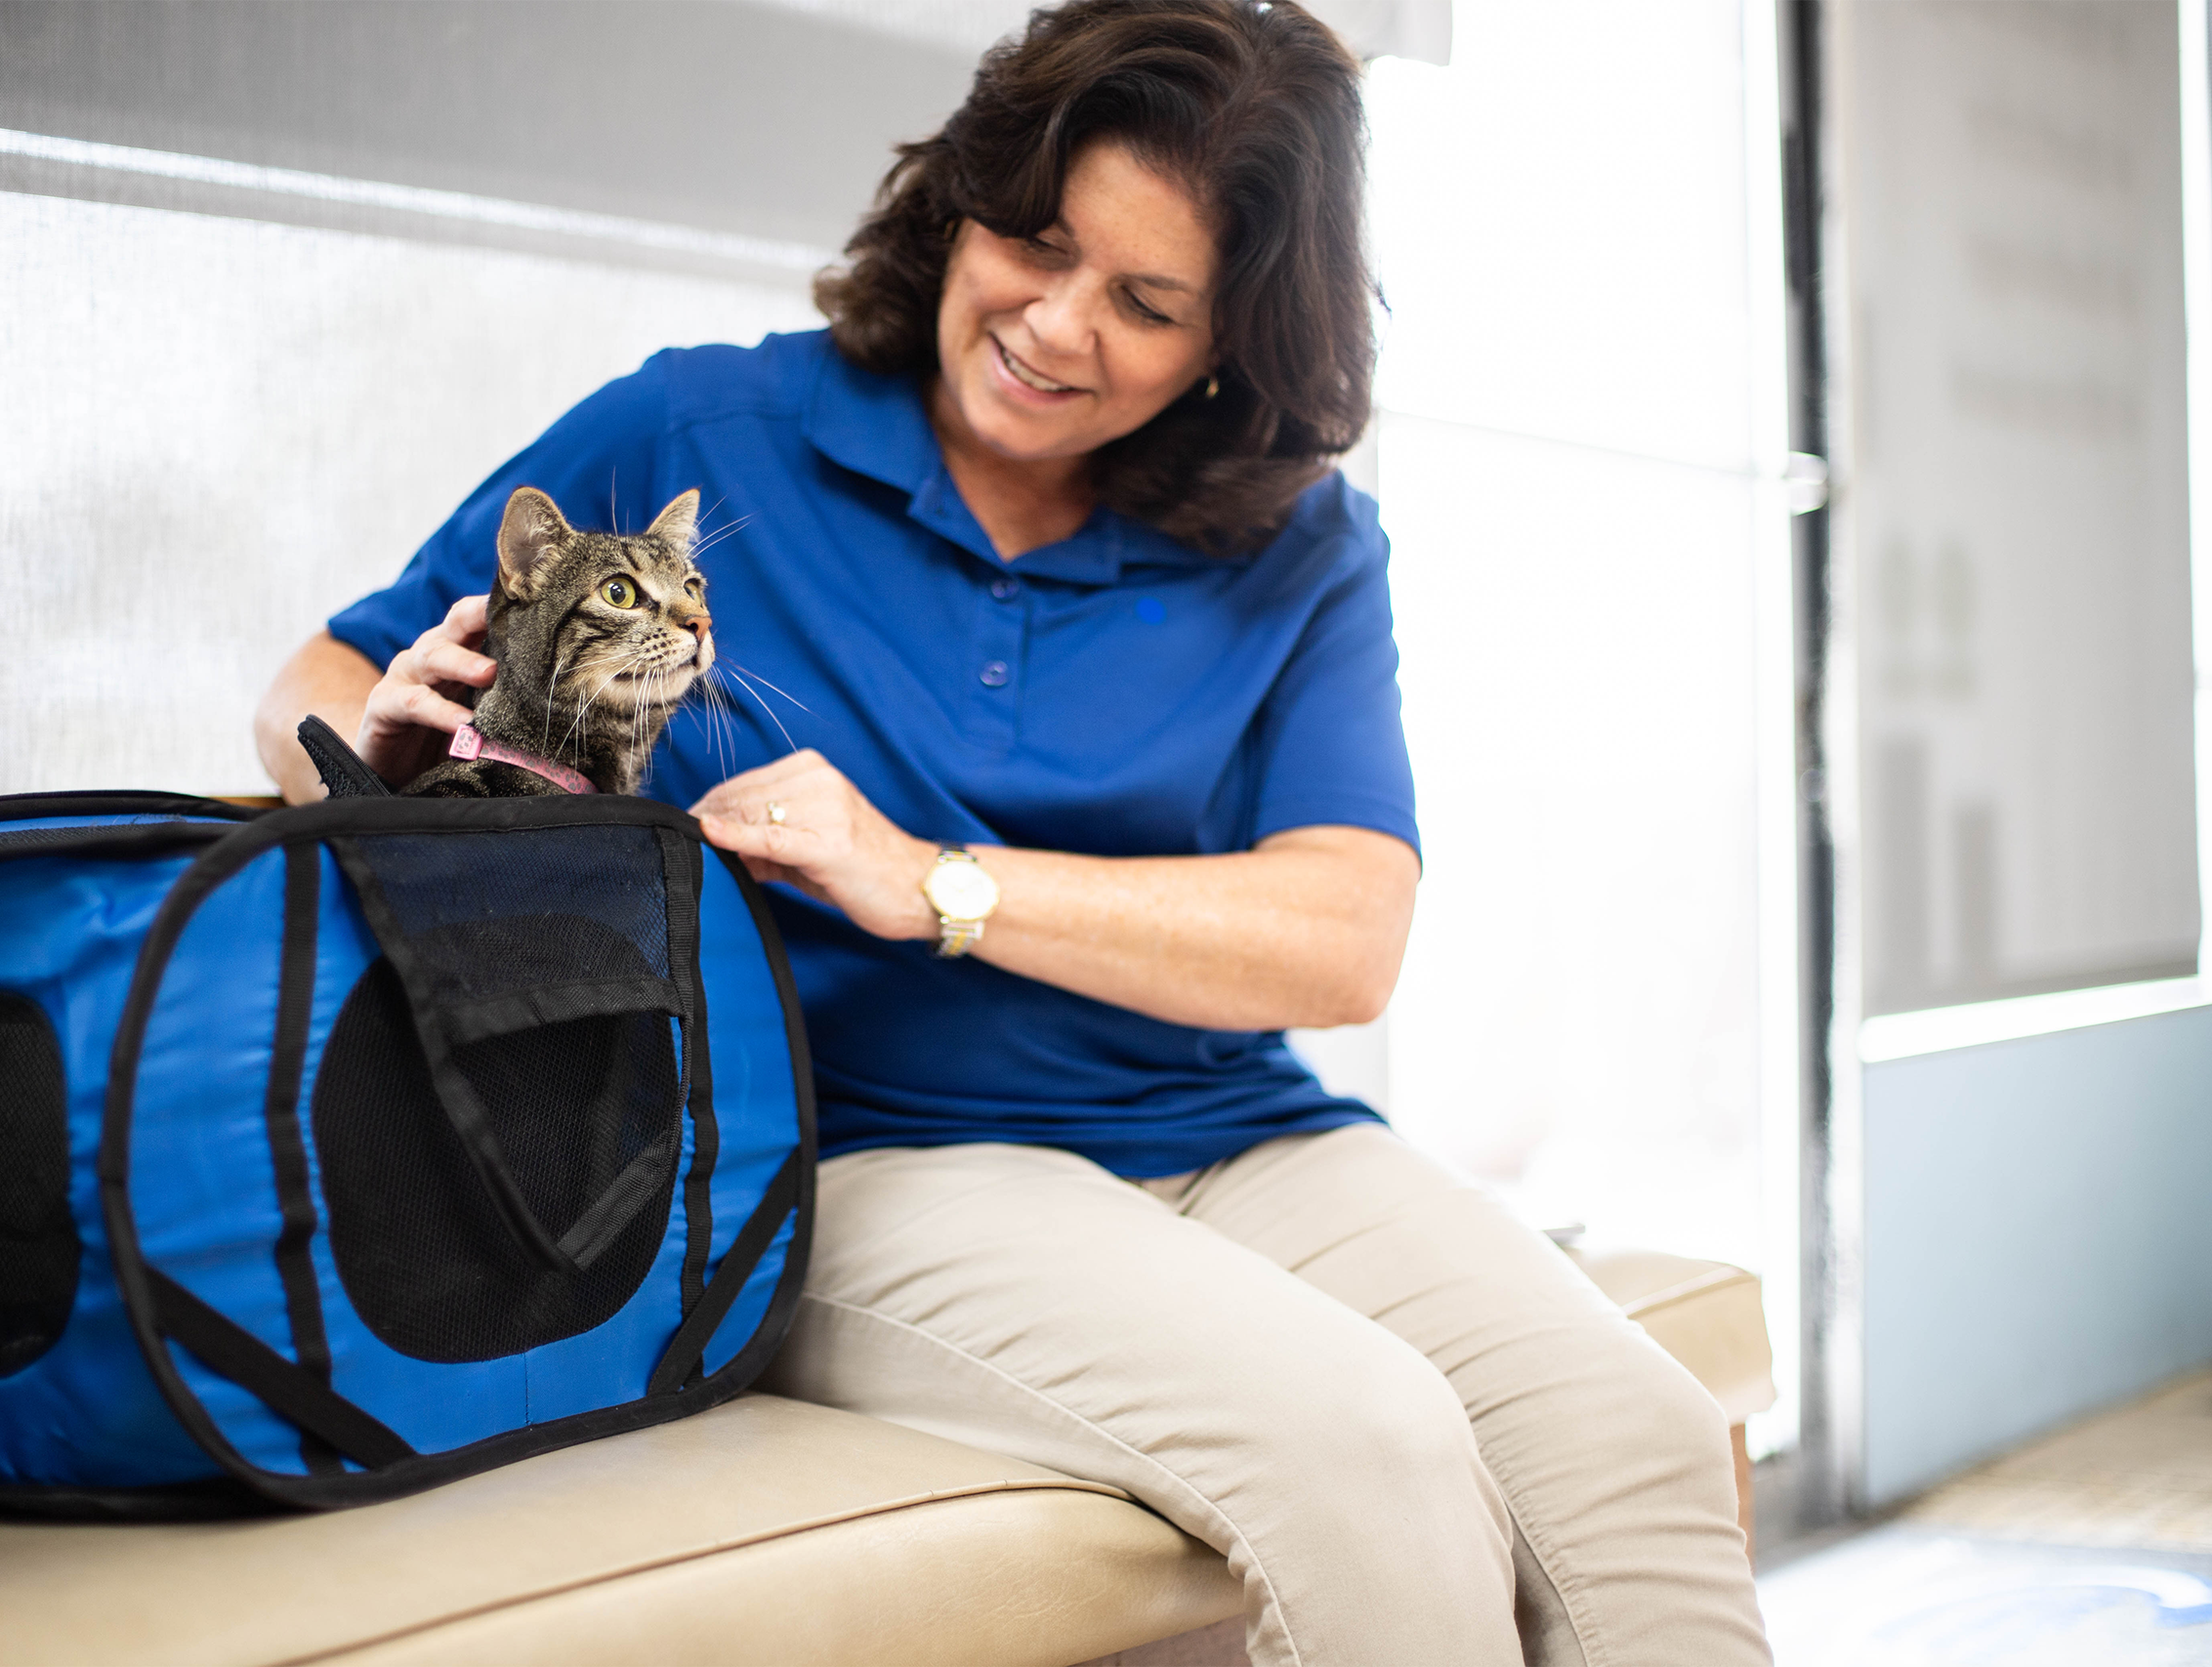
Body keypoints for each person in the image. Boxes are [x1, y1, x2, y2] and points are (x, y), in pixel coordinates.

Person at [255, 2, 1773, 1660]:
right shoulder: (698, 430)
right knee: (1371, 1446)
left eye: (1145, 301)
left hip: (1238, 1132)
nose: (1052, 326)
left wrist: (934, 885)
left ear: (1229, 341)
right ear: (957, 204)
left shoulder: (1303, 542)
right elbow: (316, 680)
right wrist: (393, 722)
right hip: (863, 1155)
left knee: (1644, 1432)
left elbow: (1344, 937)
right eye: (1033, 243)